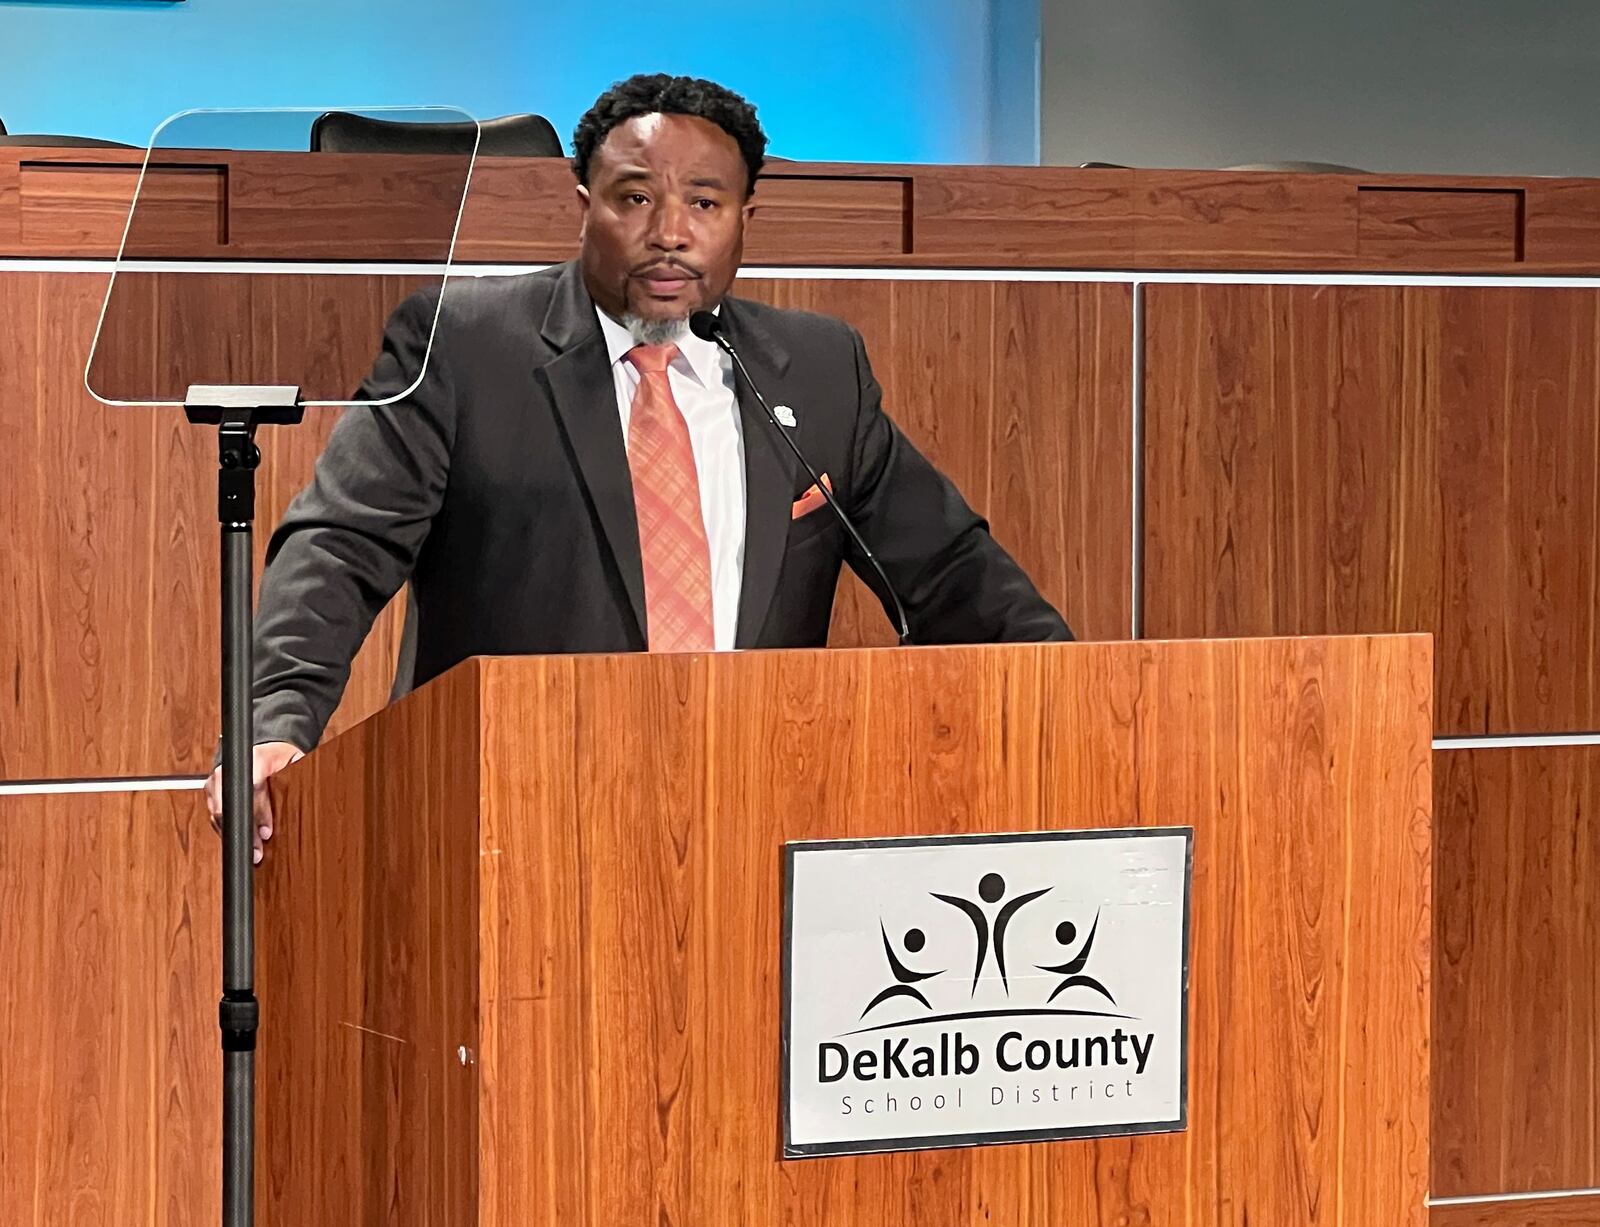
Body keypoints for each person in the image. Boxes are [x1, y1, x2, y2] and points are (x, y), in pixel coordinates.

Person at [205, 73, 1072, 858]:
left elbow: (951, 568)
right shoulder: (464, 348)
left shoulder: (816, 369)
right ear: (582, 205)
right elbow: (339, 547)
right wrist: (272, 721)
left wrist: (1075, 702)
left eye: (704, 204)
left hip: (757, 815)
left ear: (744, 222)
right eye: (635, 199)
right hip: (518, 818)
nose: (670, 234)